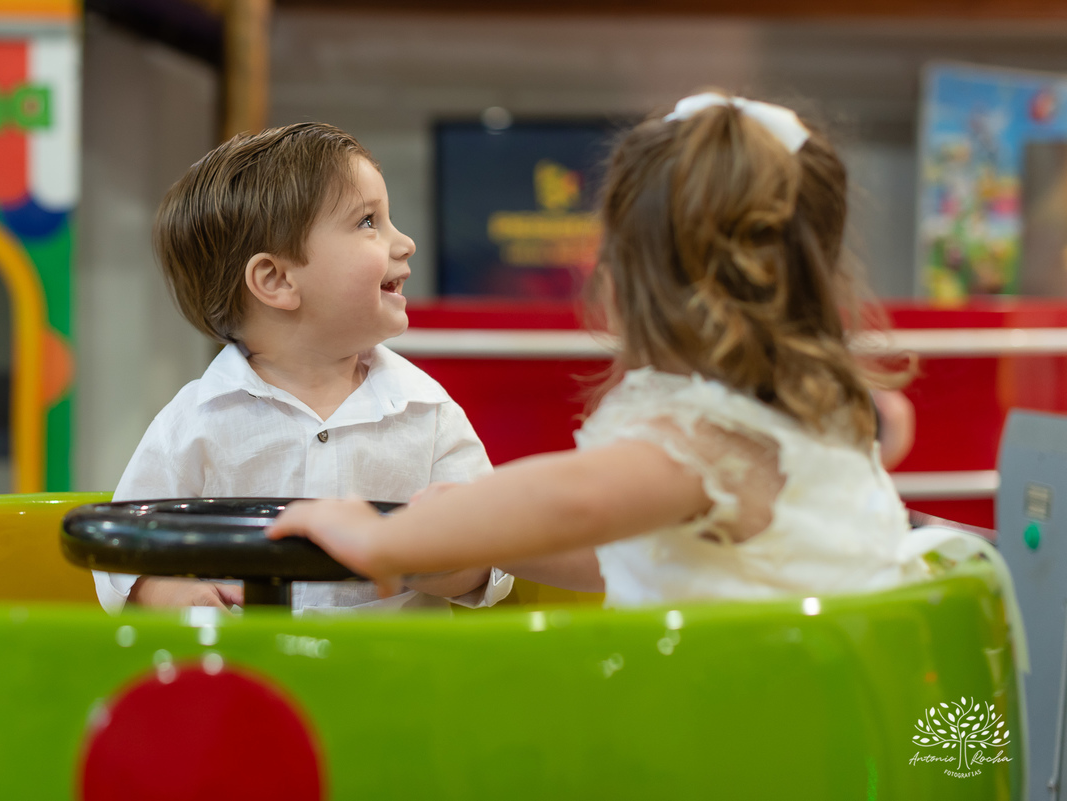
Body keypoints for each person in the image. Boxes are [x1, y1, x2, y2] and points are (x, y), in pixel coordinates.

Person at [269, 92, 925, 606]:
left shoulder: (710, 441)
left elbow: (576, 500)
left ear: (636, 283)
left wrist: (383, 537)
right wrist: (470, 534)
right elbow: (619, 545)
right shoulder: (799, 419)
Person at [93, 122, 512, 614]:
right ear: (276, 280)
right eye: (368, 222)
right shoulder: (194, 423)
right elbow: (120, 555)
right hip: (248, 678)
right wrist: (173, 594)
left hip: (393, 677)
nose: (405, 243)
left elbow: (494, 557)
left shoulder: (426, 411)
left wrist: (414, 555)